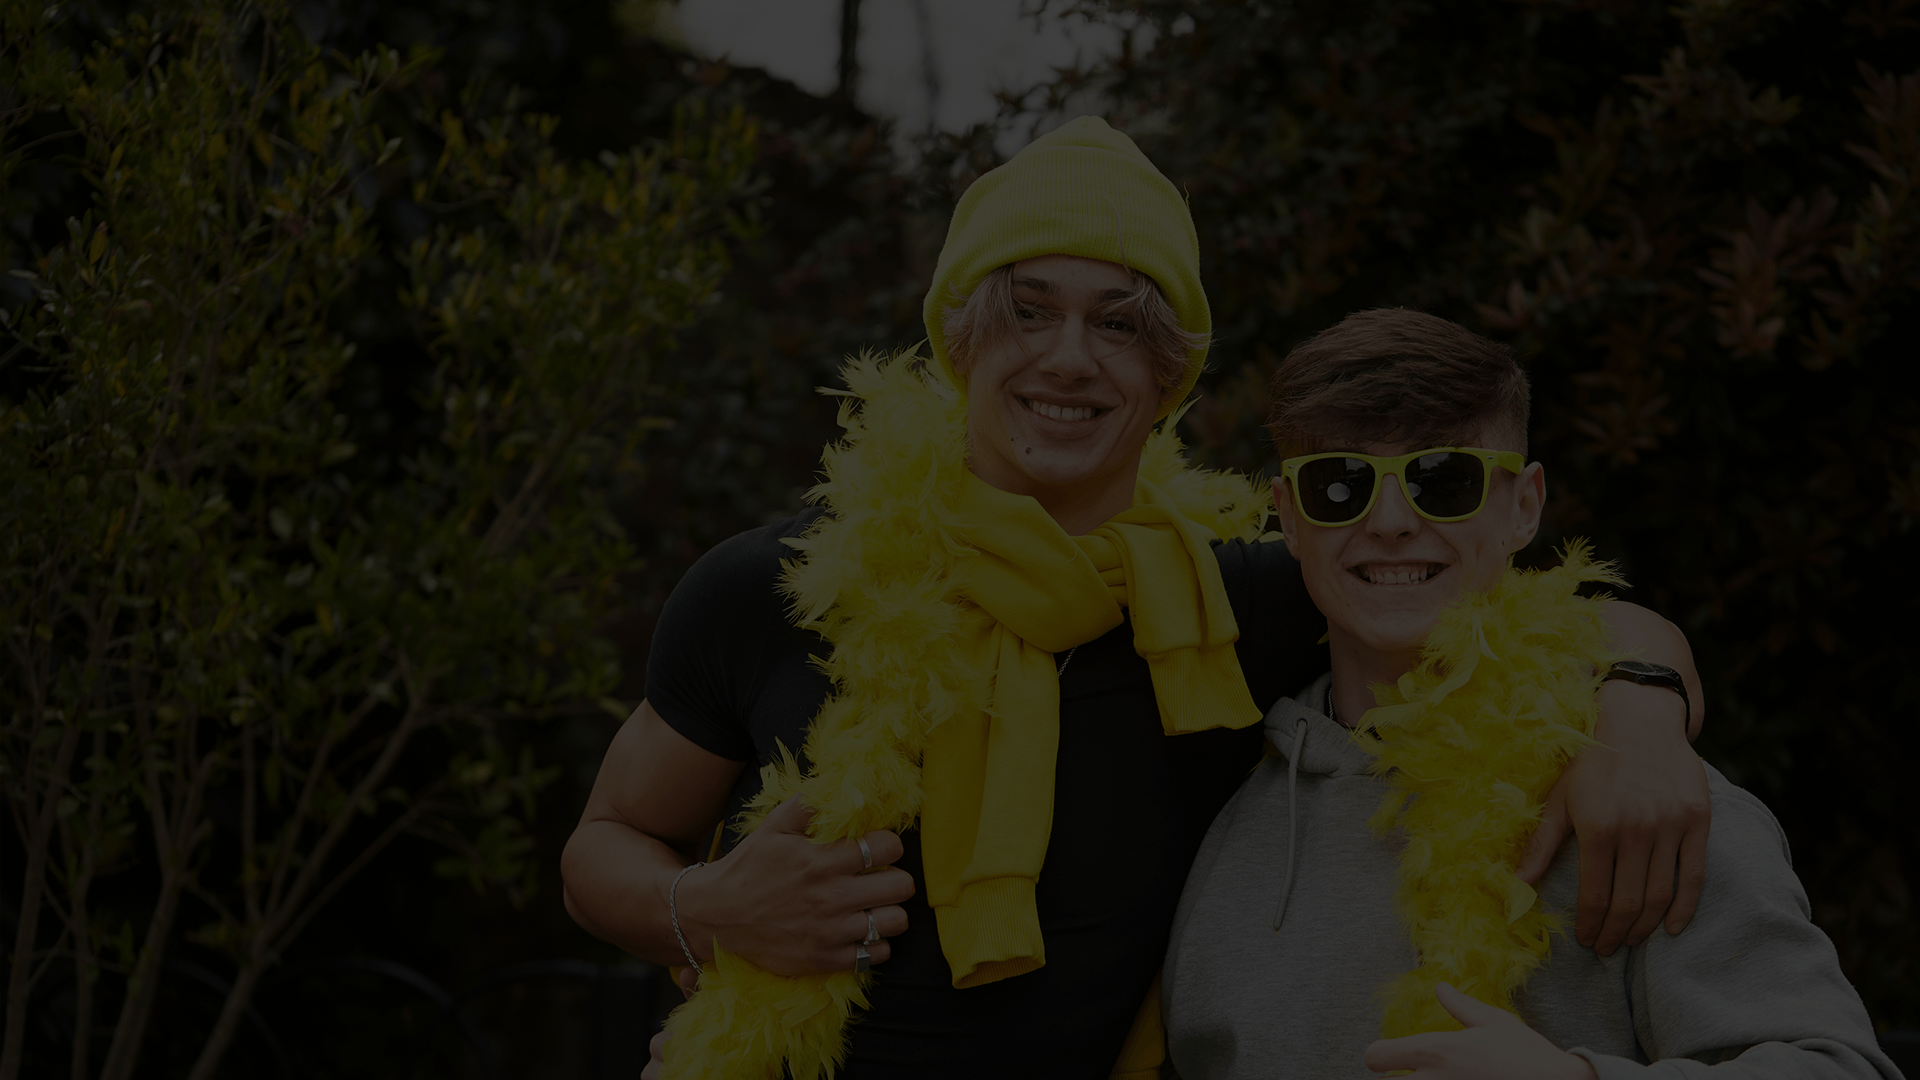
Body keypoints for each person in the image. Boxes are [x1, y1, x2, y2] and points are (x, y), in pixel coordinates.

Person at [562, 118, 1712, 1080]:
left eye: (1120, 322)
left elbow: (1503, 605)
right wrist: (706, 909)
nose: (1070, 356)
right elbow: (606, 842)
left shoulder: (1226, 609)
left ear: (1169, 375)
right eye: (1028, 308)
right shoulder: (771, 585)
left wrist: (1640, 710)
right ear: (958, 338)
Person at [1163, 308, 1902, 1080]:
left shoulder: (1629, 787)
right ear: (1288, 514)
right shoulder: (1223, 798)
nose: (1389, 522)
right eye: (1338, 484)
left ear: (1525, 506)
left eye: (1442, 480)